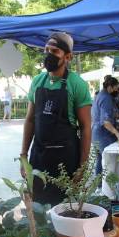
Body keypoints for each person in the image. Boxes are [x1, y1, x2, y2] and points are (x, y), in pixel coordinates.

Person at [21, 32, 92, 205]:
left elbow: (85, 127)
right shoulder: (37, 81)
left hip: (66, 160)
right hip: (39, 157)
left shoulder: (77, 84)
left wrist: (82, 167)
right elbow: (30, 120)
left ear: (68, 56)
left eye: (54, 51)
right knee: (38, 210)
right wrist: (23, 156)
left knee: (65, 210)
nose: (48, 55)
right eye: (46, 50)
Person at [92, 77, 119, 174]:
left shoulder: (100, 95)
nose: (116, 91)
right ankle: (106, 187)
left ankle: (99, 186)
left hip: (96, 133)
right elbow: (106, 122)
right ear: (110, 87)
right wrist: (117, 134)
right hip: (103, 134)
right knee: (109, 161)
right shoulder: (106, 98)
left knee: (100, 160)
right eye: (115, 89)